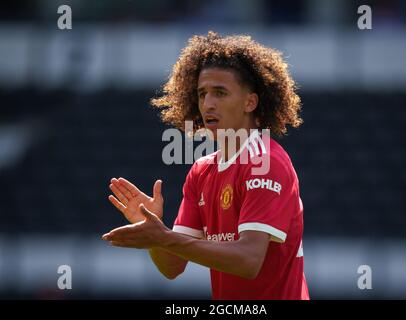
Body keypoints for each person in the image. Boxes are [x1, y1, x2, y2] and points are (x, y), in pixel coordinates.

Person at [102, 31, 309, 300]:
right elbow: (172, 266)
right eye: (202, 94)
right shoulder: (202, 170)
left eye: (220, 93)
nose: (208, 104)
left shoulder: (265, 162)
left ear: (250, 102)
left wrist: (164, 237)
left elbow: (248, 261)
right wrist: (153, 230)